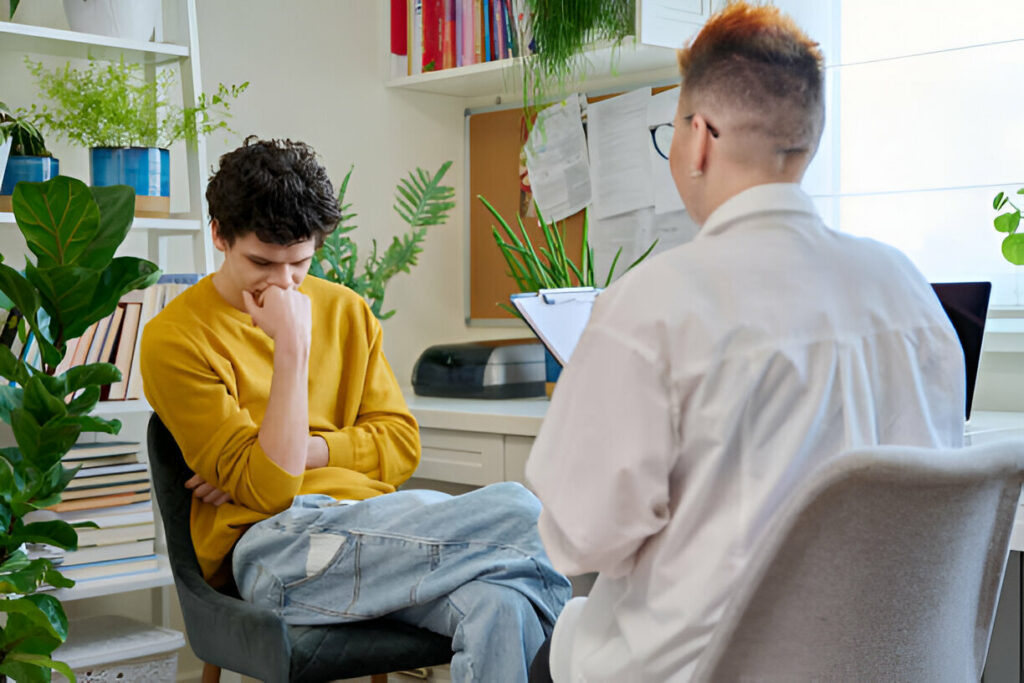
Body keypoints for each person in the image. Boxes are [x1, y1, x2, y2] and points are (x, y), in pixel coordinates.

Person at [525, 3, 966, 682]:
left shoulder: (651, 304)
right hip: (880, 666)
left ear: (699, 137)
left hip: (696, 671)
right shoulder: (907, 291)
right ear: (807, 142)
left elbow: (579, 539)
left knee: (547, 641)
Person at [140, 137, 570, 682]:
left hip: (381, 533)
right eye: (261, 262)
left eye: (299, 262)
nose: (283, 284)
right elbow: (270, 493)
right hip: (279, 550)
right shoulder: (175, 338)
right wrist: (291, 347)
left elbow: (401, 447)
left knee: (501, 605)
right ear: (219, 236)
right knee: (522, 512)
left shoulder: (346, 310)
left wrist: (298, 452)